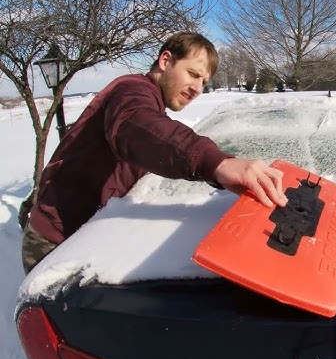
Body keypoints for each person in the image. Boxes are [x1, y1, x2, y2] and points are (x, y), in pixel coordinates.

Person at [22, 32, 288, 273]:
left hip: (85, 234)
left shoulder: (149, 102)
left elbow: (158, 139)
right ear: (165, 61)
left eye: (204, 81)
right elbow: (137, 127)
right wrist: (216, 163)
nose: (198, 88)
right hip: (55, 241)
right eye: (193, 74)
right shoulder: (131, 91)